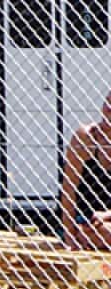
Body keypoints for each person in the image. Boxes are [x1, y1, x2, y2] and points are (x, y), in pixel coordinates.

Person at [60, 90, 111, 250]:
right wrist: (69, 236)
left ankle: (90, 239)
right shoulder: (86, 137)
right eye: (108, 102)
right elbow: (68, 189)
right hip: (86, 219)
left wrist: (106, 215)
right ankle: (84, 236)